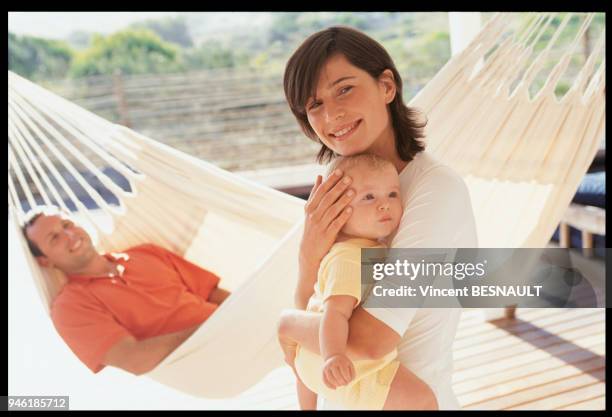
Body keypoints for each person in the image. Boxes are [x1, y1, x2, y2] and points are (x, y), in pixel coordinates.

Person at [281, 26, 478, 410]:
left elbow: (370, 342)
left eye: (344, 89)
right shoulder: (341, 185)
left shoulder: (435, 192)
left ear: (387, 86)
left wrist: (286, 325)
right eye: (314, 104)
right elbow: (317, 307)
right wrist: (309, 258)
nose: (331, 114)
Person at [279, 153, 438, 410]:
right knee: (424, 401)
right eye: (369, 197)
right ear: (339, 212)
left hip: (315, 360)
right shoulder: (351, 258)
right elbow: (335, 313)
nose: (384, 205)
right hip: (350, 367)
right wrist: (334, 356)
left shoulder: (366, 247)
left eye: (392, 194)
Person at [21, 205, 230, 376]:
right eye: (54, 238)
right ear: (44, 261)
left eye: (67, 224)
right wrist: (213, 328)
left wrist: (244, 313)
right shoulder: (70, 306)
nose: (69, 235)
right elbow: (134, 359)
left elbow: (214, 294)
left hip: (239, 330)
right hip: (200, 362)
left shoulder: (146, 253)